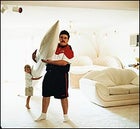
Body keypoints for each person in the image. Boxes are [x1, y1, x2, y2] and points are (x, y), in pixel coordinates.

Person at [32, 30, 74, 122]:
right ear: (59, 38)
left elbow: (64, 63)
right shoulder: (53, 47)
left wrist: (51, 62)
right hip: (50, 73)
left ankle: (66, 117)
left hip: (61, 75)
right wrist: (36, 58)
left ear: (68, 40)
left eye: (65, 38)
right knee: (46, 94)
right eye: (61, 37)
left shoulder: (69, 49)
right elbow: (44, 58)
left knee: (63, 96)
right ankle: (43, 115)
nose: (63, 39)